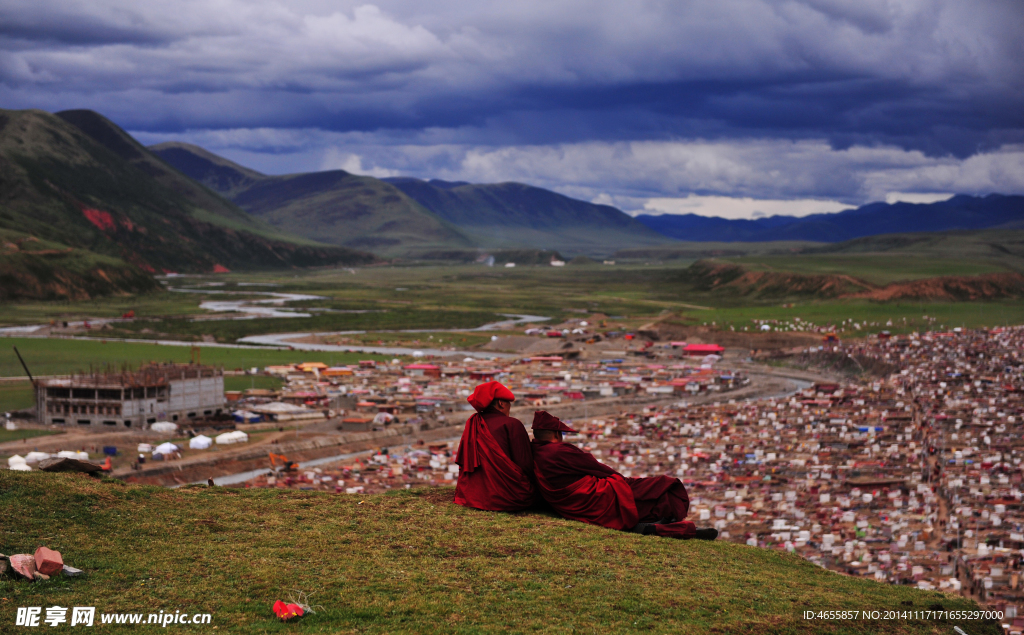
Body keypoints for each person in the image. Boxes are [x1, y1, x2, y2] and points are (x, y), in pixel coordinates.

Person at [530, 410, 717, 540]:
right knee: (663, 485)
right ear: (556, 433)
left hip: (570, 504)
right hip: (594, 497)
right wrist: (620, 480)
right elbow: (599, 469)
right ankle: (669, 522)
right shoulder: (560, 451)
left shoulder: (533, 452)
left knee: (646, 490)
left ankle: (659, 524)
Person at [453, 381, 537, 512]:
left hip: (471, 496)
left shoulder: (473, 423)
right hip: (507, 497)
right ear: (501, 403)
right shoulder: (512, 424)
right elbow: (525, 463)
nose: (510, 407)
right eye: (509, 403)